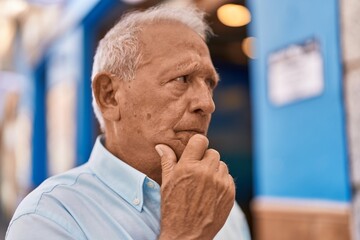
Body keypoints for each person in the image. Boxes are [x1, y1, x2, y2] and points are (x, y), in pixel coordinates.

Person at [6, 3, 250, 240]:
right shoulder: (47, 218)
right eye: (183, 78)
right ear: (109, 96)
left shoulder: (221, 208)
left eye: (209, 83)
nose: (207, 104)